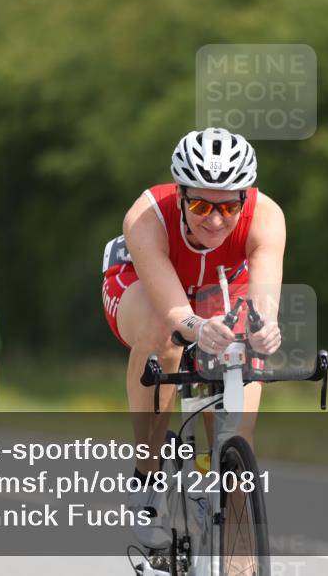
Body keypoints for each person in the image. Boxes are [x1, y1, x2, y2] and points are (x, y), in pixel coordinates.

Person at [101, 127, 285, 549]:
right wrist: (198, 328)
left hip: (221, 284)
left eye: (229, 207)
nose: (215, 220)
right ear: (181, 195)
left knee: (235, 422)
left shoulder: (267, 216)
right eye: (201, 205)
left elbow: (262, 299)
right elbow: (175, 312)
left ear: (245, 199)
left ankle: (221, 498)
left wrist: (264, 327)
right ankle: (147, 477)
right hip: (143, 285)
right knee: (163, 334)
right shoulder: (146, 216)